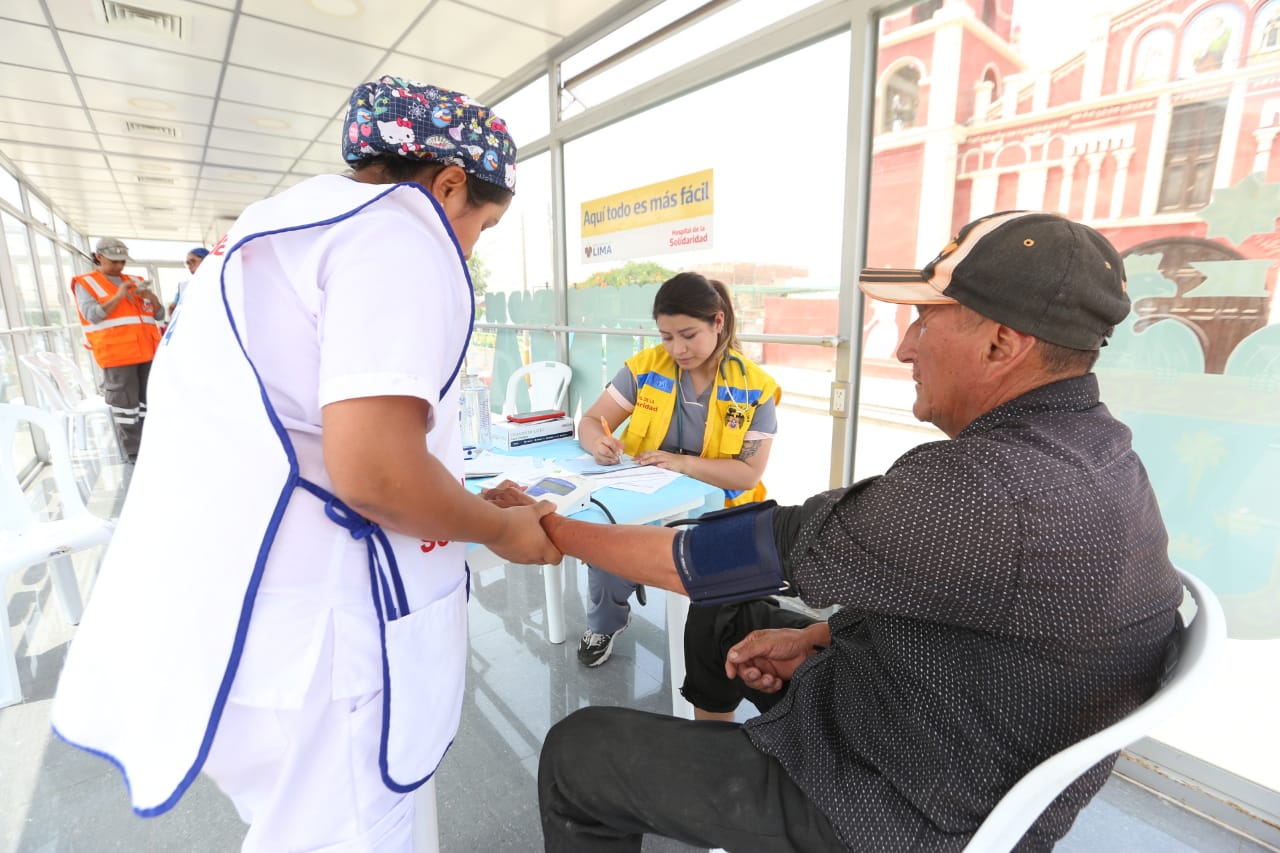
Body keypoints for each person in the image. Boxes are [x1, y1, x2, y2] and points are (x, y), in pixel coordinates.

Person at [518, 211, 1184, 851]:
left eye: (925, 318)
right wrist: (819, 633)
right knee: (725, 617)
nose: (903, 345)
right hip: (945, 717)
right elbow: (983, 609)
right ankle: (711, 754)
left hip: (894, 803)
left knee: (580, 755)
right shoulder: (1102, 451)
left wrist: (553, 529)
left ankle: (714, 780)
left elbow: (704, 557)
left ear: (1001, 343)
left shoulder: (985, 489)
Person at [52, 76, 559, 852]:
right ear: (448, 184)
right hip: (334, 638)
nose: (467, 246)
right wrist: (497, 529)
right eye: (479, 226)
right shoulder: (398, 233)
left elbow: (311, 437)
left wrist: (462, 492)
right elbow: (375, 474)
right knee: (354, 831)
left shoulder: (270, 232)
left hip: (254, 614)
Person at [573, 271, 781, 667]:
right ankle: (606, 620)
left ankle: (709, 637)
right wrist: (598, 441)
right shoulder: (646, 369)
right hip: (645, 495)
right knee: (605, 540)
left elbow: (748, 475)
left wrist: (682, 463)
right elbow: (590, 421)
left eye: (688, 335)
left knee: (709, 598)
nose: (677, 349)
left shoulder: (754, 387)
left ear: (718, 322)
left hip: (716, 508)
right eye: (667, 337)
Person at [71, 237, 165, 463]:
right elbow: (93, 315)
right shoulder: (86, 283)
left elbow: (159, 315)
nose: (119, 266)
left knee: (148, 401)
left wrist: (150, 297)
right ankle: (133, 450)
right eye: (114, 261)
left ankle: (151, 444)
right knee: (125, 405)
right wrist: (120, 294)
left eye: (122, 261)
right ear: (98, 257)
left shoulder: (135, 280)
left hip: (147, 351)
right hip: (118, 354)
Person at [166, 246, 209, 316]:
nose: (190, 266)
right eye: (188, 263)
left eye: (193, 261)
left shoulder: (221, 281)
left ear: (206, 261)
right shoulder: (184, 287)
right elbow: (172, 308)